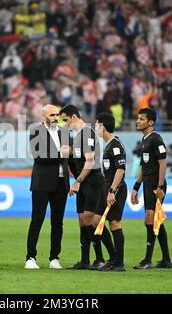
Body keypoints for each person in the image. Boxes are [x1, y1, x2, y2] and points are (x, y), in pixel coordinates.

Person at [59, 104, 113, 270]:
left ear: (74, 117)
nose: (65, 124)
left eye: (66, 120)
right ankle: (85, 260)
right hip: (84, 184)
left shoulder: (87, 133)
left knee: (91, 222)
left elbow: (89, 162)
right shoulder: (78, 136)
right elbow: (72, 153)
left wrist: (77, 182)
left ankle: (105, 258)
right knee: (82, 221)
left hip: (92, 182)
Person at [25, 104, 70, 270]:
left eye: (57, 114)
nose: (55, 117)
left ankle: (54, 258)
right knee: (37, 220)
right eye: (52, 115)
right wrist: (61, 155)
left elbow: (70, 158)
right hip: (42, 183)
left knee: (58, 223)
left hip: (61, 183)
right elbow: (39, 157)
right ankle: (30, 257)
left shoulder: (64, 132)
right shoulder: (36, 131)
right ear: (44, 116)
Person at [131, 108, 172, 270]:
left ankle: (147, 260)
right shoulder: (145, 140)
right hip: (148, 185)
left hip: (156, 185)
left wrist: (160, 186)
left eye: (141, 119)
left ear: (151, 122)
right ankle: (166, 260)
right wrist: (136, 187)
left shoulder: (156, 139)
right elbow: (144, 165)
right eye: (138, 118)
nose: (137, 121)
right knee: (156, 221)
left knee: (150, 220)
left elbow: (163, 163)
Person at [94, 113, 127, 271]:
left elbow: (120, 170)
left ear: (103, 127)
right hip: (105, 187)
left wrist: (112, 191)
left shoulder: (115, 145)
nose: (95, 128)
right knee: (96, 222)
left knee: (114, 223)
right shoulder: (108, 145)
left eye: (96, 125)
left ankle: (118, 263)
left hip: (116, 188)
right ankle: (113, 258)